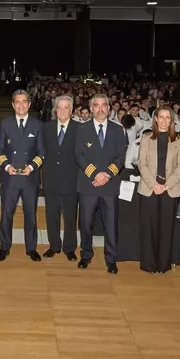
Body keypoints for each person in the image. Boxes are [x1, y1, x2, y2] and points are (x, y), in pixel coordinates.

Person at [75, 94, 124, 274]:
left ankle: (111, 259)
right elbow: (79, 155)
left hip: (109, 186)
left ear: (109, 109)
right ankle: (86, 254)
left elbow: (120, 157)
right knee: (86, 224)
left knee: (111, 225)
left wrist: (107, 175)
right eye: (96, 105)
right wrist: (95, 174)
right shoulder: (82, 129)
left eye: (104, 105)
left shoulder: (118, 130)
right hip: (88, 185)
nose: (101, 108)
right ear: (91, 108)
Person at [0, 89, 45, 262]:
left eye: (25, 101)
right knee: (6, 215)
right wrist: (6, 166)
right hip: (10, 178)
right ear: (13, 104)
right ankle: (4, 247)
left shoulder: (37, 125)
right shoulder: (6, 123)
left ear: (29, 104)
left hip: (30, 179)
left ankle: (31, 248)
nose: (21, 105)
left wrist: (31, 167)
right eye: (18, 102)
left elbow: (42, 152)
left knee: (30, 215)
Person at [137, 105, 180, 274]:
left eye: (168, 117)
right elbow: (141, 163)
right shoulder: (146, 137)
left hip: (170, 189)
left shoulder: (178, 138)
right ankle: (149, 264)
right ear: (156, 119)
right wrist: (154, 185)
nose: (164, 120)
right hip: (149, 188)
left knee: (167, 228)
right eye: (161, 117)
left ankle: (163, 264)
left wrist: (167, 185)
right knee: (149, 228)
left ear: (171, 121)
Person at [42, 95, 80, 260]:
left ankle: (69, 248)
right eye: (60, 108)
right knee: (52, 215)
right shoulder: (47, 128)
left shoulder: (80, 128)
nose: (62, 111)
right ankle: (54, 245)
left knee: (70, 216)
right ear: (55, 110)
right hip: (51, 180)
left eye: (66, 108)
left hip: (71, 181)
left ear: (71, 111)